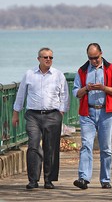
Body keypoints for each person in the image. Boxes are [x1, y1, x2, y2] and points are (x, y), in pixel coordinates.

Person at [12, 47, 70, 189]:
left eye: (51, 57)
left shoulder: (58, 75)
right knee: (33, 145)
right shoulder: (29, 74)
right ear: (38, 59)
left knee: (51, 148)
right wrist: (16, 113)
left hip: (53, 115)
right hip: (33, 116)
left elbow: (65, 95)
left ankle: (48, 180)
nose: (48, 60)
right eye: (45, 57)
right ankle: (33, 180)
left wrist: (61, 113)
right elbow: (21, 94)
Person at [72, 43, 112, 189]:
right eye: (90, 58)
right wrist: (86, 88)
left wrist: (104, 88)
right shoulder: (82, 71)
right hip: (87, 112)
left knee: (106, 147)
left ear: (101, 53)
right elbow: (76, 92)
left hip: (105, 112)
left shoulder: (111, 68)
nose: (94, 61)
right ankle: (83, 178)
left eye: (96, 57)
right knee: (86, 145)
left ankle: (105, 179)